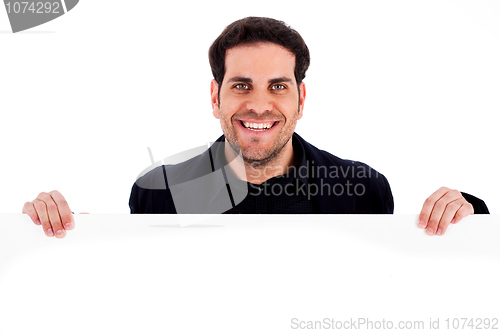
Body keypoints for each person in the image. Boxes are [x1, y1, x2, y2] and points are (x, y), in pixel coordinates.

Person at [22, 17, 489, 239]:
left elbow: (406, 282)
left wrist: (469, 219)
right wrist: (62, 240)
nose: (260, 104)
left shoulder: (362, 189)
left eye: (278, 86)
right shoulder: (157, 192)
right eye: (241, 85)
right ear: (215, 97)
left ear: (301, 99)